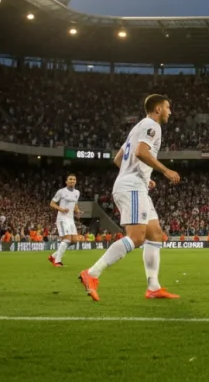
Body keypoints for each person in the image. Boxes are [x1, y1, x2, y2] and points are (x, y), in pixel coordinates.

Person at [78, 94, 181, 302]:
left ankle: (153, 287)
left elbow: (118, 159)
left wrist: (143, 177)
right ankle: (92, 273)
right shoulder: (152, 125)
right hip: (132, 187)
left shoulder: (136, 129)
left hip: (136, 184)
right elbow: (142, 152)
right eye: (168, 108)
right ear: (158, 109)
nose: (170, 112)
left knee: (156, 234)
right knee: (136, 237)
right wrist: (164, 171)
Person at [48, 174, 82, 267]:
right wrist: (61, 209)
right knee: (67, 240)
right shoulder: (61, 191)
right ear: (66, 181)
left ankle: (53, 256)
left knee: (74, 241)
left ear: (76, 181)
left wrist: (77, 212)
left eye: (74, 179)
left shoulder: (77, 193)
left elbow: (75, 205)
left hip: (71, 219)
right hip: (62, 218)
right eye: (70, 179)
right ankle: (57, 261)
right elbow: (52, 203)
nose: (72, 181)